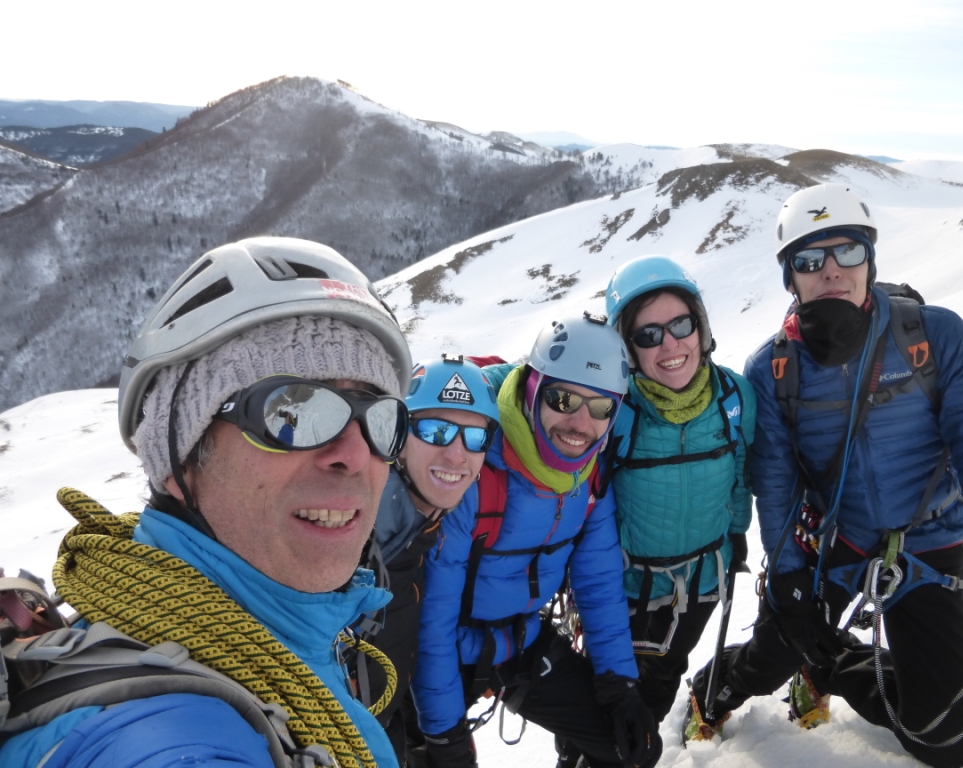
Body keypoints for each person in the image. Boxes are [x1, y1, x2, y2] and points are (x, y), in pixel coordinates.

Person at [0, 237, 412, 768]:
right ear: (178, 459)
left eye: (382, 419)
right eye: (292, 411)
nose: (355, 453)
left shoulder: (290, 636)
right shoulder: (167, 742)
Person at [685, 184, 963, 768]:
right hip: (832, 543)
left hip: (927, 543)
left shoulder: (934, 339)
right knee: (775, 651)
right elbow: (777, 487)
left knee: (947, 741)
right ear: (791, 278)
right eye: (810, 260)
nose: (832, 271)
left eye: (847, 252)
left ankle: (832, 667)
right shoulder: (773, 369)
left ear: (871, 258)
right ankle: (714, 687)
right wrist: (789, 582)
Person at [411, 314, 662, 768]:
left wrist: (619, 686)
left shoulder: (589, 478)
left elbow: (600, 583)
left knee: (628, 750)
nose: (580, 423)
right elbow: (433, 617)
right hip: (447, 650)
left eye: (601, 407)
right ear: (532, 390)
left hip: (520, 642)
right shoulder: (473, 467)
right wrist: (445, 736)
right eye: (563, 398)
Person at [602, 256, 755, 734]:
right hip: (624, 593)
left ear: (700, 326)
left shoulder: (735, 397)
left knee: (661, 684)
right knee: (604, 708)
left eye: (681, 324)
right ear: (627, 347)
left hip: (702, 584)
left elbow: (742, 475)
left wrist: (737, 539)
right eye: (648, 334)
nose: (669, 344)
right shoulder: (611, 406)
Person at [353, 356, 500, 766]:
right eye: (436, 431)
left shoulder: (419, 532)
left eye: (475, 438)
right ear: (398, 435)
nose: (456, 455)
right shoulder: (356, 539)